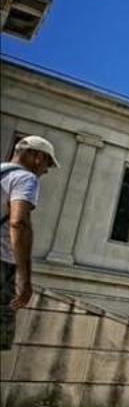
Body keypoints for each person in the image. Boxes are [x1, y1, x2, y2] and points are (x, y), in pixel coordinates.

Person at [1, 135, 60, 350]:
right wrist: (24, 279)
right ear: (35, 156)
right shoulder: (25, 179)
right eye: (47, 163)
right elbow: (19, 223)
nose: (45, 170)